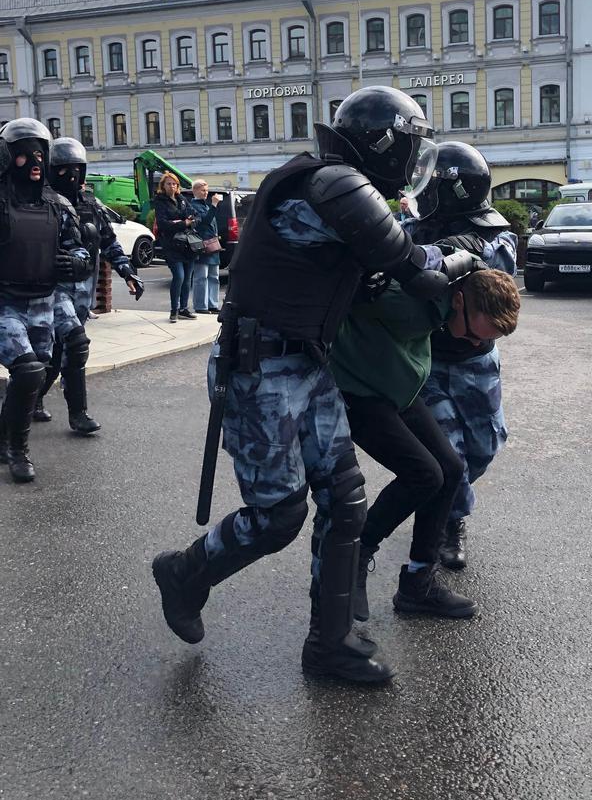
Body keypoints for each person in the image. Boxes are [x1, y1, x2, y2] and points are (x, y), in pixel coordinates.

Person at [151, 86, 476, 686]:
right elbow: (420, 272)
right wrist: (466, 260)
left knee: (344, 497)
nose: (411, 160)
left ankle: (331, 644)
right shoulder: (336, 185)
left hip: (306, 363)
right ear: (385, 144)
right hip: (260, 371)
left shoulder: (333, 184)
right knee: (278, 516)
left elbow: (342, 268)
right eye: (408, 147)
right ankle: (185, 573)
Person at [332, 268, 520, 622]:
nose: (474, 345)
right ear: (459, 301)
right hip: (358, 390)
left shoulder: (451, 289)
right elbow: (345, 299)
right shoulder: (407, 303)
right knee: (424, 475)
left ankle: (417, 585)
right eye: (473, 335)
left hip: (398, 387)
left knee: (451, 470)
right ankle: (353, 558)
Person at [405, 141, 518, 571]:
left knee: (485, 445)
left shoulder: (494, 235)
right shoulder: (413, 232)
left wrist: (457, 250)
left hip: (476, 361)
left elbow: (499, 264)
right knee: (447, 452)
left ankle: (446, 502)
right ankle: (449, 521)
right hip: (428, 361)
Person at [0, 119, 91, 481]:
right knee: (27, 371)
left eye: (40, 154)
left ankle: (4, 437)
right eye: (26, 154)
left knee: (33, 378)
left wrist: (78, 262)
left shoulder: (59, 206)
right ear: (8, 157)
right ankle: (18, 452)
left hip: (43, 303)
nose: (35, 161)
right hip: (5, 303)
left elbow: (78, 248)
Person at [34, 137, 144, 431]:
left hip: (82, 289)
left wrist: (127, 271)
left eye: (76, 169)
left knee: (59, 353)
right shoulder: (41, 203)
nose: (70, 176)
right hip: (53, 289)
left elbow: (109, 242)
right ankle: (78, 414)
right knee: (75, 342)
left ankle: (34, 398)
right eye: (63, 169)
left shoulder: (91, 205)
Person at [154, 173, 198, 322]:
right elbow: (163, 224)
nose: (172, 186)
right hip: (172, 245)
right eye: (169, 184)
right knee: (179, 276)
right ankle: (174, 310)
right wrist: (183, 223)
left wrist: (184, 221)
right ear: (163, 186)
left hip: (187, 244)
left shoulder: (182, 199)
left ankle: (184, 309)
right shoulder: (160, 201)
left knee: (187, 278)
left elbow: (194, 215)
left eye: (174, 184)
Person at [188, 180, 222, 315]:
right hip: (201, 246)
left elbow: (212, 225)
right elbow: (205, 222)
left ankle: (212, 304)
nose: (206, 193)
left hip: (212, 245)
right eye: (203, 190)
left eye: (207, 190)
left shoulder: (206, 206)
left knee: (214, 276)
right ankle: (201, 305)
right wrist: (214, 205)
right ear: (195, 191)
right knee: (201, 277)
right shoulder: (193, 206)